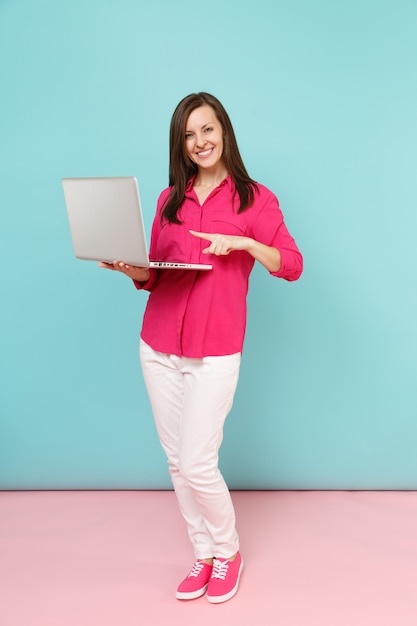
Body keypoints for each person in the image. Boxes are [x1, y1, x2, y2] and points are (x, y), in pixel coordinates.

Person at [99, 92, 303, 603]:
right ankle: (203, 553)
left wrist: (246, 245)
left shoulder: (256, 199)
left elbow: (292, 265)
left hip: (215, 349)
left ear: (225, 132)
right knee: (175, 462)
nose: (200, 142)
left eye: (207, 130)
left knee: (196, 462)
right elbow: (156, 273)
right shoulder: (172, 200)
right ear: (181, 145)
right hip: (159, 343)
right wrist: (132, 270)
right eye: (189, 135)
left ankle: (228, 551)